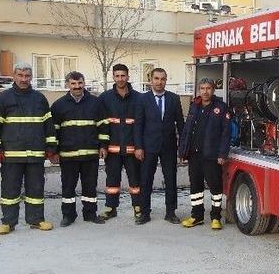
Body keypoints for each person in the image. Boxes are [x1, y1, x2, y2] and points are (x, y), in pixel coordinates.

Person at [0, 62, 57, 234]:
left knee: (36, 189)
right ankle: (8, 222)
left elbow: (48, 125)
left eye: (27, 76)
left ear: (31, 77)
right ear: (14, 76)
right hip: (11, 154)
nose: (23, 79)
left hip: (35, 153)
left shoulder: (39, 98)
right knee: (10, 190)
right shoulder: (3, 98)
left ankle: (36, 220)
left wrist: (51, 147)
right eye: (20, 75)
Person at [51, 71, 108, 227]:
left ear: (84, 83)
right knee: (68, 187)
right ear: (67, 85)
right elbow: (53, 131)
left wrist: (103, 146)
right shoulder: (58, 105)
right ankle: (68, 216)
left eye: (80, 83)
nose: (77, 87)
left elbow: (103, 126)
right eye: (73, 84)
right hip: (68, 155)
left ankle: (90, 214)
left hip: (90, 154)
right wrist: (53, 151)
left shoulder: (96, 103)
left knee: (90, 186)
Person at [178, 77, 231, 230]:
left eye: (208, 88)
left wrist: (222, 154)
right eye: (202, 88)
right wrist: (183, 151)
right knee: (195, 187)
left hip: (212, 155)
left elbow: (226, 133)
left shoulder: (221, 107)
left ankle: (215, 217)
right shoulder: (194, 106)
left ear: (213, 90)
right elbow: (187, 130)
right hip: (194, 154)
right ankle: (197, 216)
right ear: (199, 90)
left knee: (215, 188)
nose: (205, 91)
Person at [133, 68, 184, 225]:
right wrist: (138, 147)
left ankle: (170, 212)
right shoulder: (142, 99)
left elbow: (181, 125)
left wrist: (182, 148)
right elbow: (138, 125)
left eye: (162, 79)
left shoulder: (174, 99)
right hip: (148, 147)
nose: (159, 82)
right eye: (156, 78)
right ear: (151, 80)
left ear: (166, 80)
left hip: (169, 146)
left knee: (171, 180)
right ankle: (145, 213)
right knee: (146, 180)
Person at [98, 64, 142, 221]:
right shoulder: (105, 98)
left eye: (123, 76)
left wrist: (139, 147)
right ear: (113, 77)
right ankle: (111, 208)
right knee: (112, 181)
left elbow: (140, 125)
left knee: (136, 180)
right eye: (117, 76)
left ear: (128, 77)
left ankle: (138, 207)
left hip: (133, 149)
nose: (120, 79)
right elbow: (102, 124)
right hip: (112, 149)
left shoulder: (139, 98)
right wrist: (102, 146)